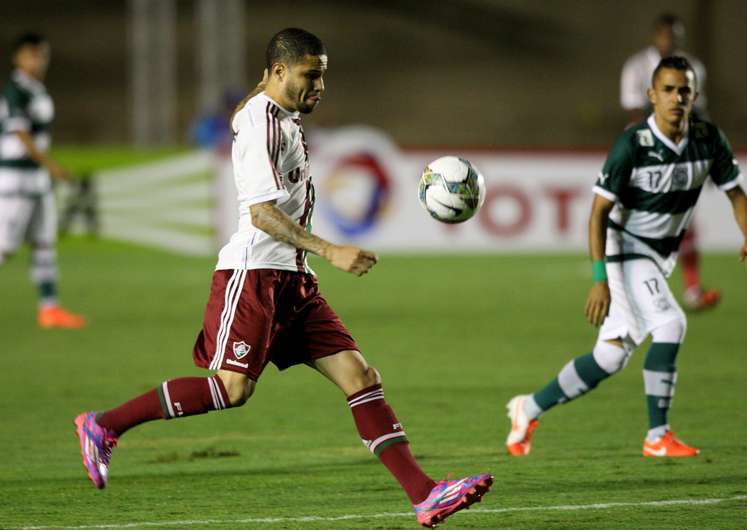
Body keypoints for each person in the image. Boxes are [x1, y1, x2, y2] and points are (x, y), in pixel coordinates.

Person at [74, 28, 492, 528]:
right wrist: (331, 249)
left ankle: (424, 495)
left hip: (292, 278)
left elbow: (260, 114)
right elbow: (260, 214)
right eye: (310, 75)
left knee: (360, 377)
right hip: (252, 275)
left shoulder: (278, 116)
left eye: (323, 76)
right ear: (278, 72)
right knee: (232, 389)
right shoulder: (259, 124)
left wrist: (314, 257)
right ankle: (104, 425)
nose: (319, 86)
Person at [506, 56, 747, 458]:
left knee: (610, 356)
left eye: (684, 90)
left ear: (695, 95)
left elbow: (736, 192)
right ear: (651, 95)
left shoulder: (709, 139)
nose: (677, 97)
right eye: (668, 89)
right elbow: (597, 214)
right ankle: (656, 435)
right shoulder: (633, 146)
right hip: (625, 248)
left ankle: (529, 407)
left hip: (660, 256)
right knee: (670, 322)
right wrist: (599, 278)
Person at [621, 13, 718, 311]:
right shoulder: (637, 67)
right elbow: (633, 111)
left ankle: (691, 289)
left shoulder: (693, 67)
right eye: (665, 35)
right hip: (645, 151)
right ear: (656, 36)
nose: (670, 40)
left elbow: (698, 113)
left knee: (683, 218)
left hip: (681, 150)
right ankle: (630, 290)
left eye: (675, 35)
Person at [0, 32, 85, 329]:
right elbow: (20, 134)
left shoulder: (36, 89)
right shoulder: (16, 90)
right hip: (15, 180)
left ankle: (49, 309)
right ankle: (49, 309)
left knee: (44, 243)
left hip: (35, 181)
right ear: (18, 57)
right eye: (32, 54)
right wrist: (52, 166)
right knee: (5, 247)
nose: (38, 60)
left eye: (41, 54)